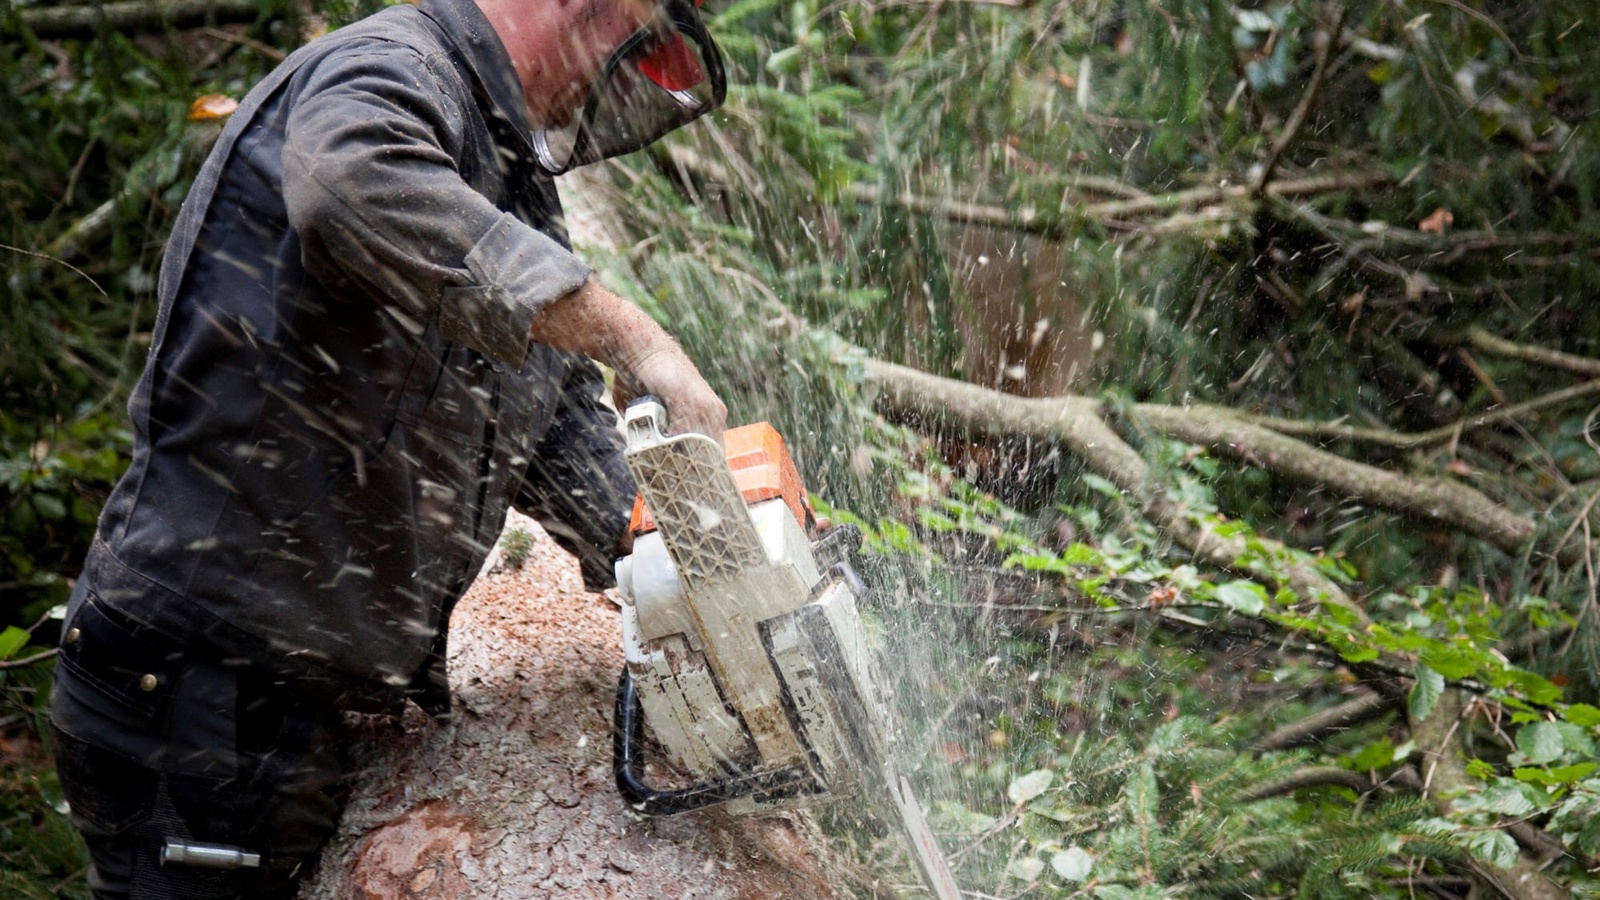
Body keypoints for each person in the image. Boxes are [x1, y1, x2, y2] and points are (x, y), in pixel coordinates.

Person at [47, 0, 728, 895]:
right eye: (635, 42)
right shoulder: (391, 71)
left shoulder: (507, 167)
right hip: (199, 686)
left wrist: (680, 556)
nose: (616, 81)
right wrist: (633, 335)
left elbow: (549, 413)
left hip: (285, 695)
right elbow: (350, 183)